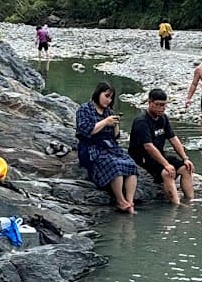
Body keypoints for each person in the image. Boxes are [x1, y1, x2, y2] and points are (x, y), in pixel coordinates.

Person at [75, 82, 139, 212]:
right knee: (115, 166)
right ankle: (120, 200)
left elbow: (115, 136)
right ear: (98, 94)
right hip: (91, 147)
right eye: (106, 96)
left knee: (131, 165)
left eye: (111, 98)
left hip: (109, 146)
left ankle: (129, 202)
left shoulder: (108, 111)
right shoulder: (84, 109)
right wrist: (105, 122)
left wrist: (115, 125)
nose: (108, 100)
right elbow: (86, 130)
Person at [129, 88, 195, 204]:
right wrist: (166, 165)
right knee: (167, 172)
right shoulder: (141, 121)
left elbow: (173, 139)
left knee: (186, 169)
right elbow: (148, 146)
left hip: (158, 157)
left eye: (164, 105)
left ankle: (190, 201)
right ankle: (177, 205)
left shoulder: (163, 118)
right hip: (142, 160)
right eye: (158, 105)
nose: (161, 108)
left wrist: (185, 158)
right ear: (150, 102)